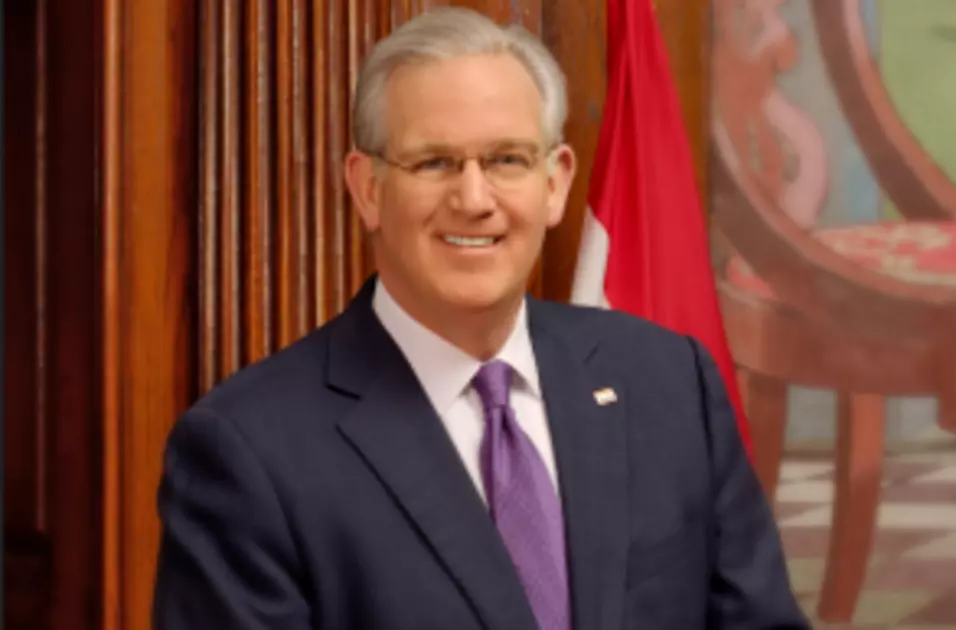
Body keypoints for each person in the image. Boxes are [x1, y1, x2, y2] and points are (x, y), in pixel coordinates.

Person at [151, 7, 810, 630]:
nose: (473, 199)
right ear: (367, 187)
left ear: (554, 183)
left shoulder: (668, 382)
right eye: (435, 162)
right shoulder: (249, 450)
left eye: (505, 160)